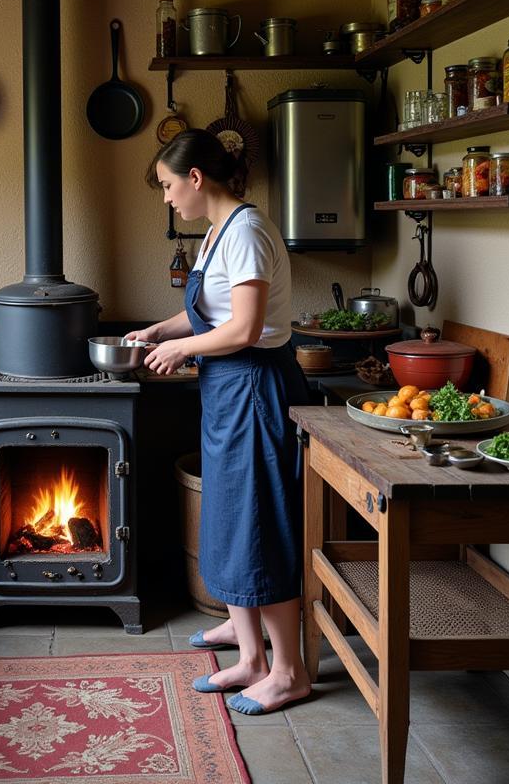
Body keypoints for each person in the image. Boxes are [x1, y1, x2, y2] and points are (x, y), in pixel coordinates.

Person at [127, 129, 311, 716]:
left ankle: (288, 672)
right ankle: (252, 658)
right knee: (234, 518)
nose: (166, 197)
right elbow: (213, 312)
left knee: (263, 524)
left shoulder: (249, 232)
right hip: (229, 388)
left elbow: (246, 330)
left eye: (166, 185)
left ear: (196, 178)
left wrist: (184, 352)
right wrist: (161, 331)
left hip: (255, 384)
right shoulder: (217, 233)